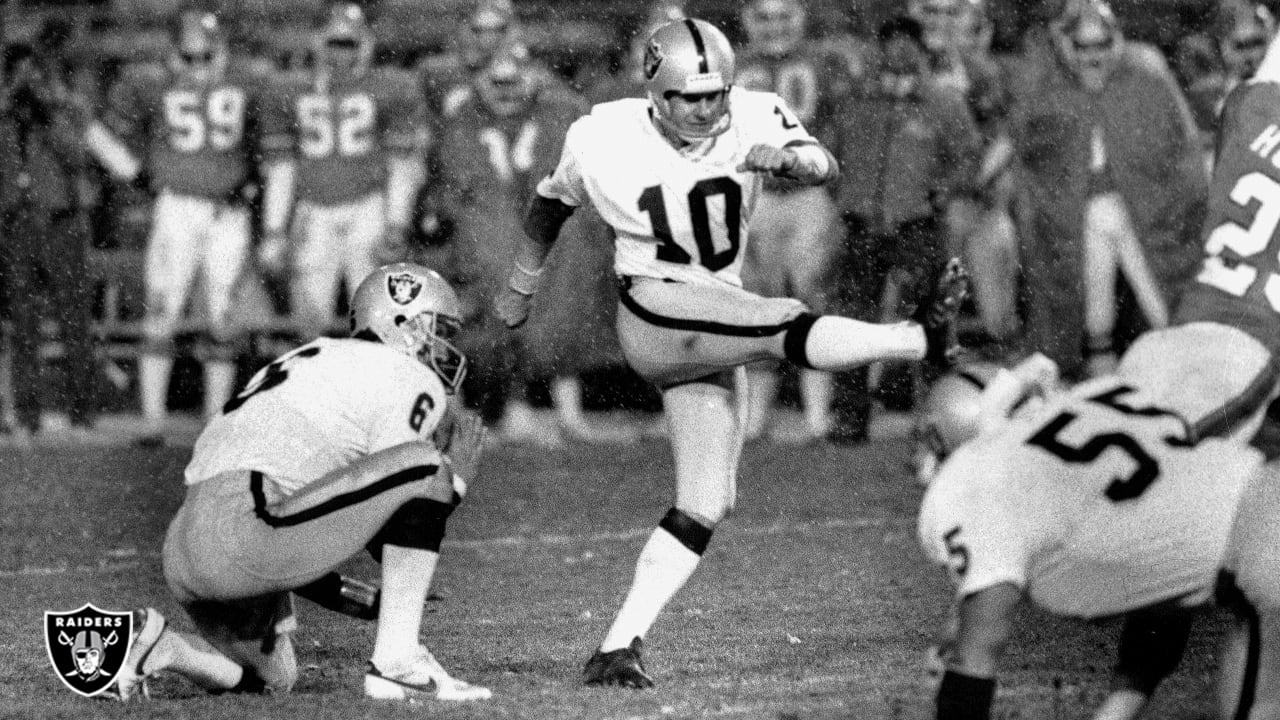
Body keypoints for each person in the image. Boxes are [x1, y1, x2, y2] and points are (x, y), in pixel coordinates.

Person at [493, 17, 969, 687]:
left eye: (716, 94)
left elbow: (824, 162)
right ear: (655, 92)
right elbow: (551, 204)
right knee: (781, 322)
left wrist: (794, 163)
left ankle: (617, 646)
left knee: (706, 502)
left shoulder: (753, 113)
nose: (707, 109)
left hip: (717, 314)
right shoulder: (601, 133)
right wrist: (521, 286)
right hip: (655, 309)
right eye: (691, 97)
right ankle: (917, 339)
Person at [111, 262, 491, 703]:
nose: (446, 349)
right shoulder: (406, 374)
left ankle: (160, 646)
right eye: (439, 329)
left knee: (274, 679)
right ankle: (399, 664)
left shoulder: (311, 358)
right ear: (404, 323)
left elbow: (317, 520)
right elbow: (393, 521)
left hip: (186, 549)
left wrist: (360, 600)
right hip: (246, 526)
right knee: (426, 464)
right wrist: (455, 482)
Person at [916, 324, 1278, 720]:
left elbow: (979, 648)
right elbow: (1165, 575)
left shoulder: (978, 482)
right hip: (1260, 503)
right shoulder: (1091, 398)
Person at [431, 45, 633, 446]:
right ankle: (514, 409)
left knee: (565, 303)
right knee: (499, 305)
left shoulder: (558, 112)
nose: (505, 92)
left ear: (532, 78)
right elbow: (462, 193)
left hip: (542, 230)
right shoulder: (463, 122)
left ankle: (567, 414)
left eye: (513, 81)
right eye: (497, 83)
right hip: (495, 234)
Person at [105, 10, 270, 440]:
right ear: (174, 55)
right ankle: (152, 422)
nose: (198, 67)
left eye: (206, 56)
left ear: (222, 52)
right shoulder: (149, 82)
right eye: (189, 57)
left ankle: (216, 423)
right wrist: (137, 175)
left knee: (222, 317)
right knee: (162, 310)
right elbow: (101, 134)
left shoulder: (248, 81)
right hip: (176, 208)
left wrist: (250, 180)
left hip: (227, 212)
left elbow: (265, 144)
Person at [824, 15, 983, 442]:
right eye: (890, 41)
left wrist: (943, 191)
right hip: (862, 225)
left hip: (916, 224)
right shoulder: (857, 100)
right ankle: (851, 416)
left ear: (919, 48)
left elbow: (969, 154)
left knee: (931, 321)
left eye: (906, 42)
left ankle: (938, 416)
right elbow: (827, 150)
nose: (898, 51)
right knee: (853, 324)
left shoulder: (942, 102)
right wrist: (847, 197)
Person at [258, 3, 429, 342]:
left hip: (367, 208)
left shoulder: (389, 86)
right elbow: (282, 169)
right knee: (309, 323)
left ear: (364, 43)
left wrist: (396, 221)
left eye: (348, 44)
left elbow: (402, 165)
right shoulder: (290, 88)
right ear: (318, 42)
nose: (341, 53)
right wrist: (275, 229)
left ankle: (376, 395)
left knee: (378, 319)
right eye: (335, 43)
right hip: (312, 212)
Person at [734, 0, 858, 444]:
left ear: (801, 17)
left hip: (808, 194)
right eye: (764, 17)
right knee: (758, 305)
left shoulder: (824, 64)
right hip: (758, 195)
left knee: (813, 297)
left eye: (783, 16)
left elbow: (843, 127)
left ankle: (817, 413)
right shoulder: (733, 66)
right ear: (748, 21)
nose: (775, 27)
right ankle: (756, 416)